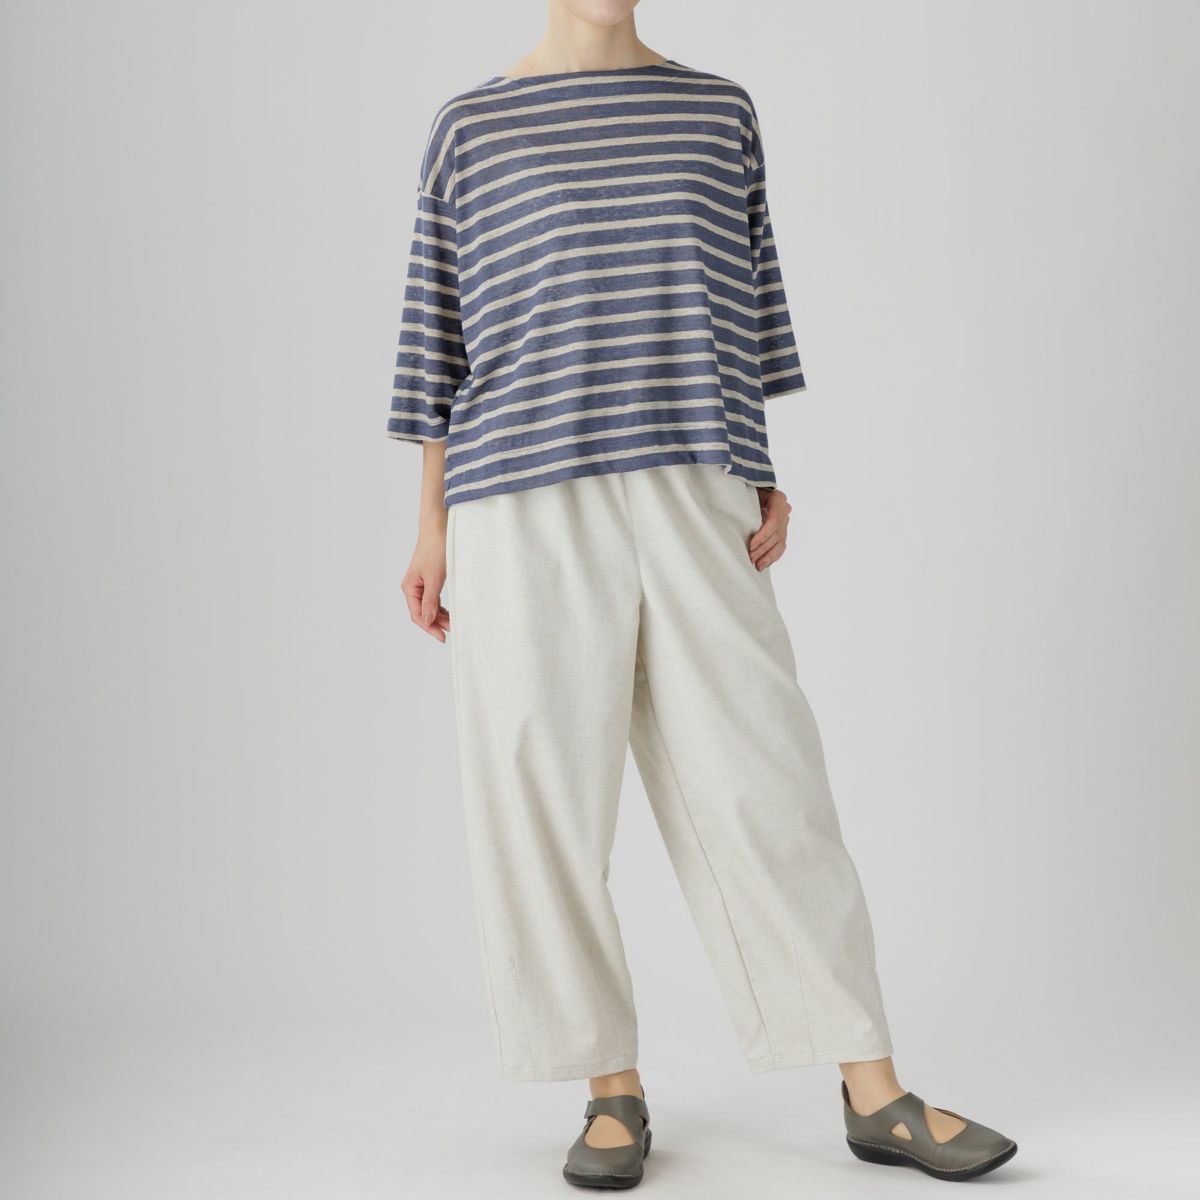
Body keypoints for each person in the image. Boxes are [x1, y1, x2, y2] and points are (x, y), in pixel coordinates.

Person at [389, 0, 1016, 1188]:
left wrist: (756, 469)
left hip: (691, 478)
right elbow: (438, 337)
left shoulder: (715, 111)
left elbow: (742, 306)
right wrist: (429, 526)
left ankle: (872, 1086)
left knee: (768, 782)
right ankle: (609, 1087)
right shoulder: (471, 128)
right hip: (519, 496)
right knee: (541, 799)